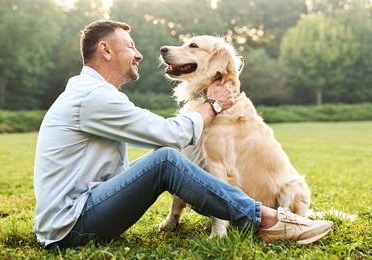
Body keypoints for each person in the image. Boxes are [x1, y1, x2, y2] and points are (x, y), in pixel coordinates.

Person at [33, 20, 333, 248]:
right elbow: (168, 135)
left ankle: (261, 216)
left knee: (166, 157)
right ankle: (267, 220)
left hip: (74, 217)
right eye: (130, 46)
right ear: (106, 50)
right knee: (166, 157)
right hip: (72, 226)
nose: (139, 55)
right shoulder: (93, 98)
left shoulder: (91, 93)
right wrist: (213, 104)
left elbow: (167, 139)